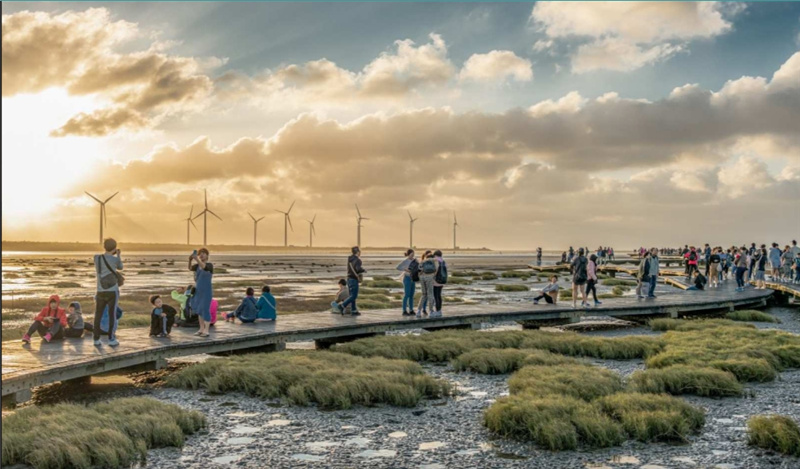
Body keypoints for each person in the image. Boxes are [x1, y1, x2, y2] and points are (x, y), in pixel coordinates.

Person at [93, 238, 123, 347]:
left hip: (100, 290)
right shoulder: (115, 260)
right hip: (112, 291)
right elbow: (120, 267)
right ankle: (111, 339)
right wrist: (118, 255)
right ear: (115, 248)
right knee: (112, 315)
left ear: (104, 246)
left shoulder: (96, 258)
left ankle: (96, 339)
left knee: (98, 315)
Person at [189, 248, 214, 337]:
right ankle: (201, 329)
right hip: (198, 291)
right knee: (199, 310)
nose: (202, 255)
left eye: (203, 253)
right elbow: (190, 268)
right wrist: (190, 260)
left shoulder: (209, 265)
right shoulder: (197, 266)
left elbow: (204, 267)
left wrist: (197, 259)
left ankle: (206, 330)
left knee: (205, 309)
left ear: (207, 255)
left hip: (206, 291)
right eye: (200, 254)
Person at [339, 246, 365, 316]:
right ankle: (342, 305)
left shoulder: (349, 259)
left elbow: (352, 268)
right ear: (358, 252)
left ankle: (353, 310)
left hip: (349, 278)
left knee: (351, 295)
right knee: (354, 296)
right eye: (359, 251)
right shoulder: (358, 260)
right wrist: (363, 270)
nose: (360, 252)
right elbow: (357, 269)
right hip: (354, 279)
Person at [397, 249, 418, 316]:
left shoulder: (415, 261)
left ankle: (411, 310)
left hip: (413, 278)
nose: (412, 256)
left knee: (412, 295)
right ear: (408, 254)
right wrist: (405, 269)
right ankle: (404, 310)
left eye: (413, 254)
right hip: (407, 278)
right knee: (407, 294)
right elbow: (398, 267)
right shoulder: (405, 261)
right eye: (411, 254)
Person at [417, 250, 436, 317]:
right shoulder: (433, 261)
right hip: (430, 277)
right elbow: (436, 269)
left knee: (423, 295)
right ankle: (431, 311)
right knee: (430, 294)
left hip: (422, 278)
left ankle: (418, 311)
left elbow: (419, 271)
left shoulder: (422, 261)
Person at [432, 250, 447, 318]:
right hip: (442, 281)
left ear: (436, 255)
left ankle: (437, 311)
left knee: (436, 296)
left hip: (436, 281)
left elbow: (436, 270)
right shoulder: (443, 261)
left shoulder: (436, 260)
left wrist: (432, 277)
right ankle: (439, 311)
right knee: (439, 296)